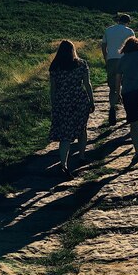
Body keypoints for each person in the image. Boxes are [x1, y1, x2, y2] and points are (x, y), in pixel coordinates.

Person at [49, 40, 95, 179]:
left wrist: (54, 104)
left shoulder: (55, 66)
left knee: (65, 135)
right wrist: (91, 100)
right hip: (79, 100)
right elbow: (87, 84)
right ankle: (81, 155)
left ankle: (63, 164)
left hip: (62, 102)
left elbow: (53, 88)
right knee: (82, 128)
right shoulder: (81, 64)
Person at [101, 13, 134, 125]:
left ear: (118, 20)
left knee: (112, 87)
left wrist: (106, 59)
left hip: (111, 60)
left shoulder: (108, 30)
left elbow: (103, 46)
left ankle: (112, 108)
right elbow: (132, 47)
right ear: (128, 22)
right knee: (125, 86)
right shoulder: (129, 31)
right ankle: (128, 113)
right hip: (124, 60)